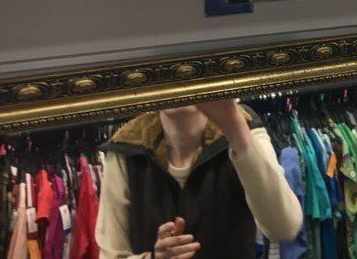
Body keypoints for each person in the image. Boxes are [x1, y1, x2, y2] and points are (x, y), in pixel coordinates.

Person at [95, 98, 303, 259]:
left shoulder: (246, 130)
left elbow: (285, 228)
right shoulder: (126, 149)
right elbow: (111, 254)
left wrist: (235, 128)